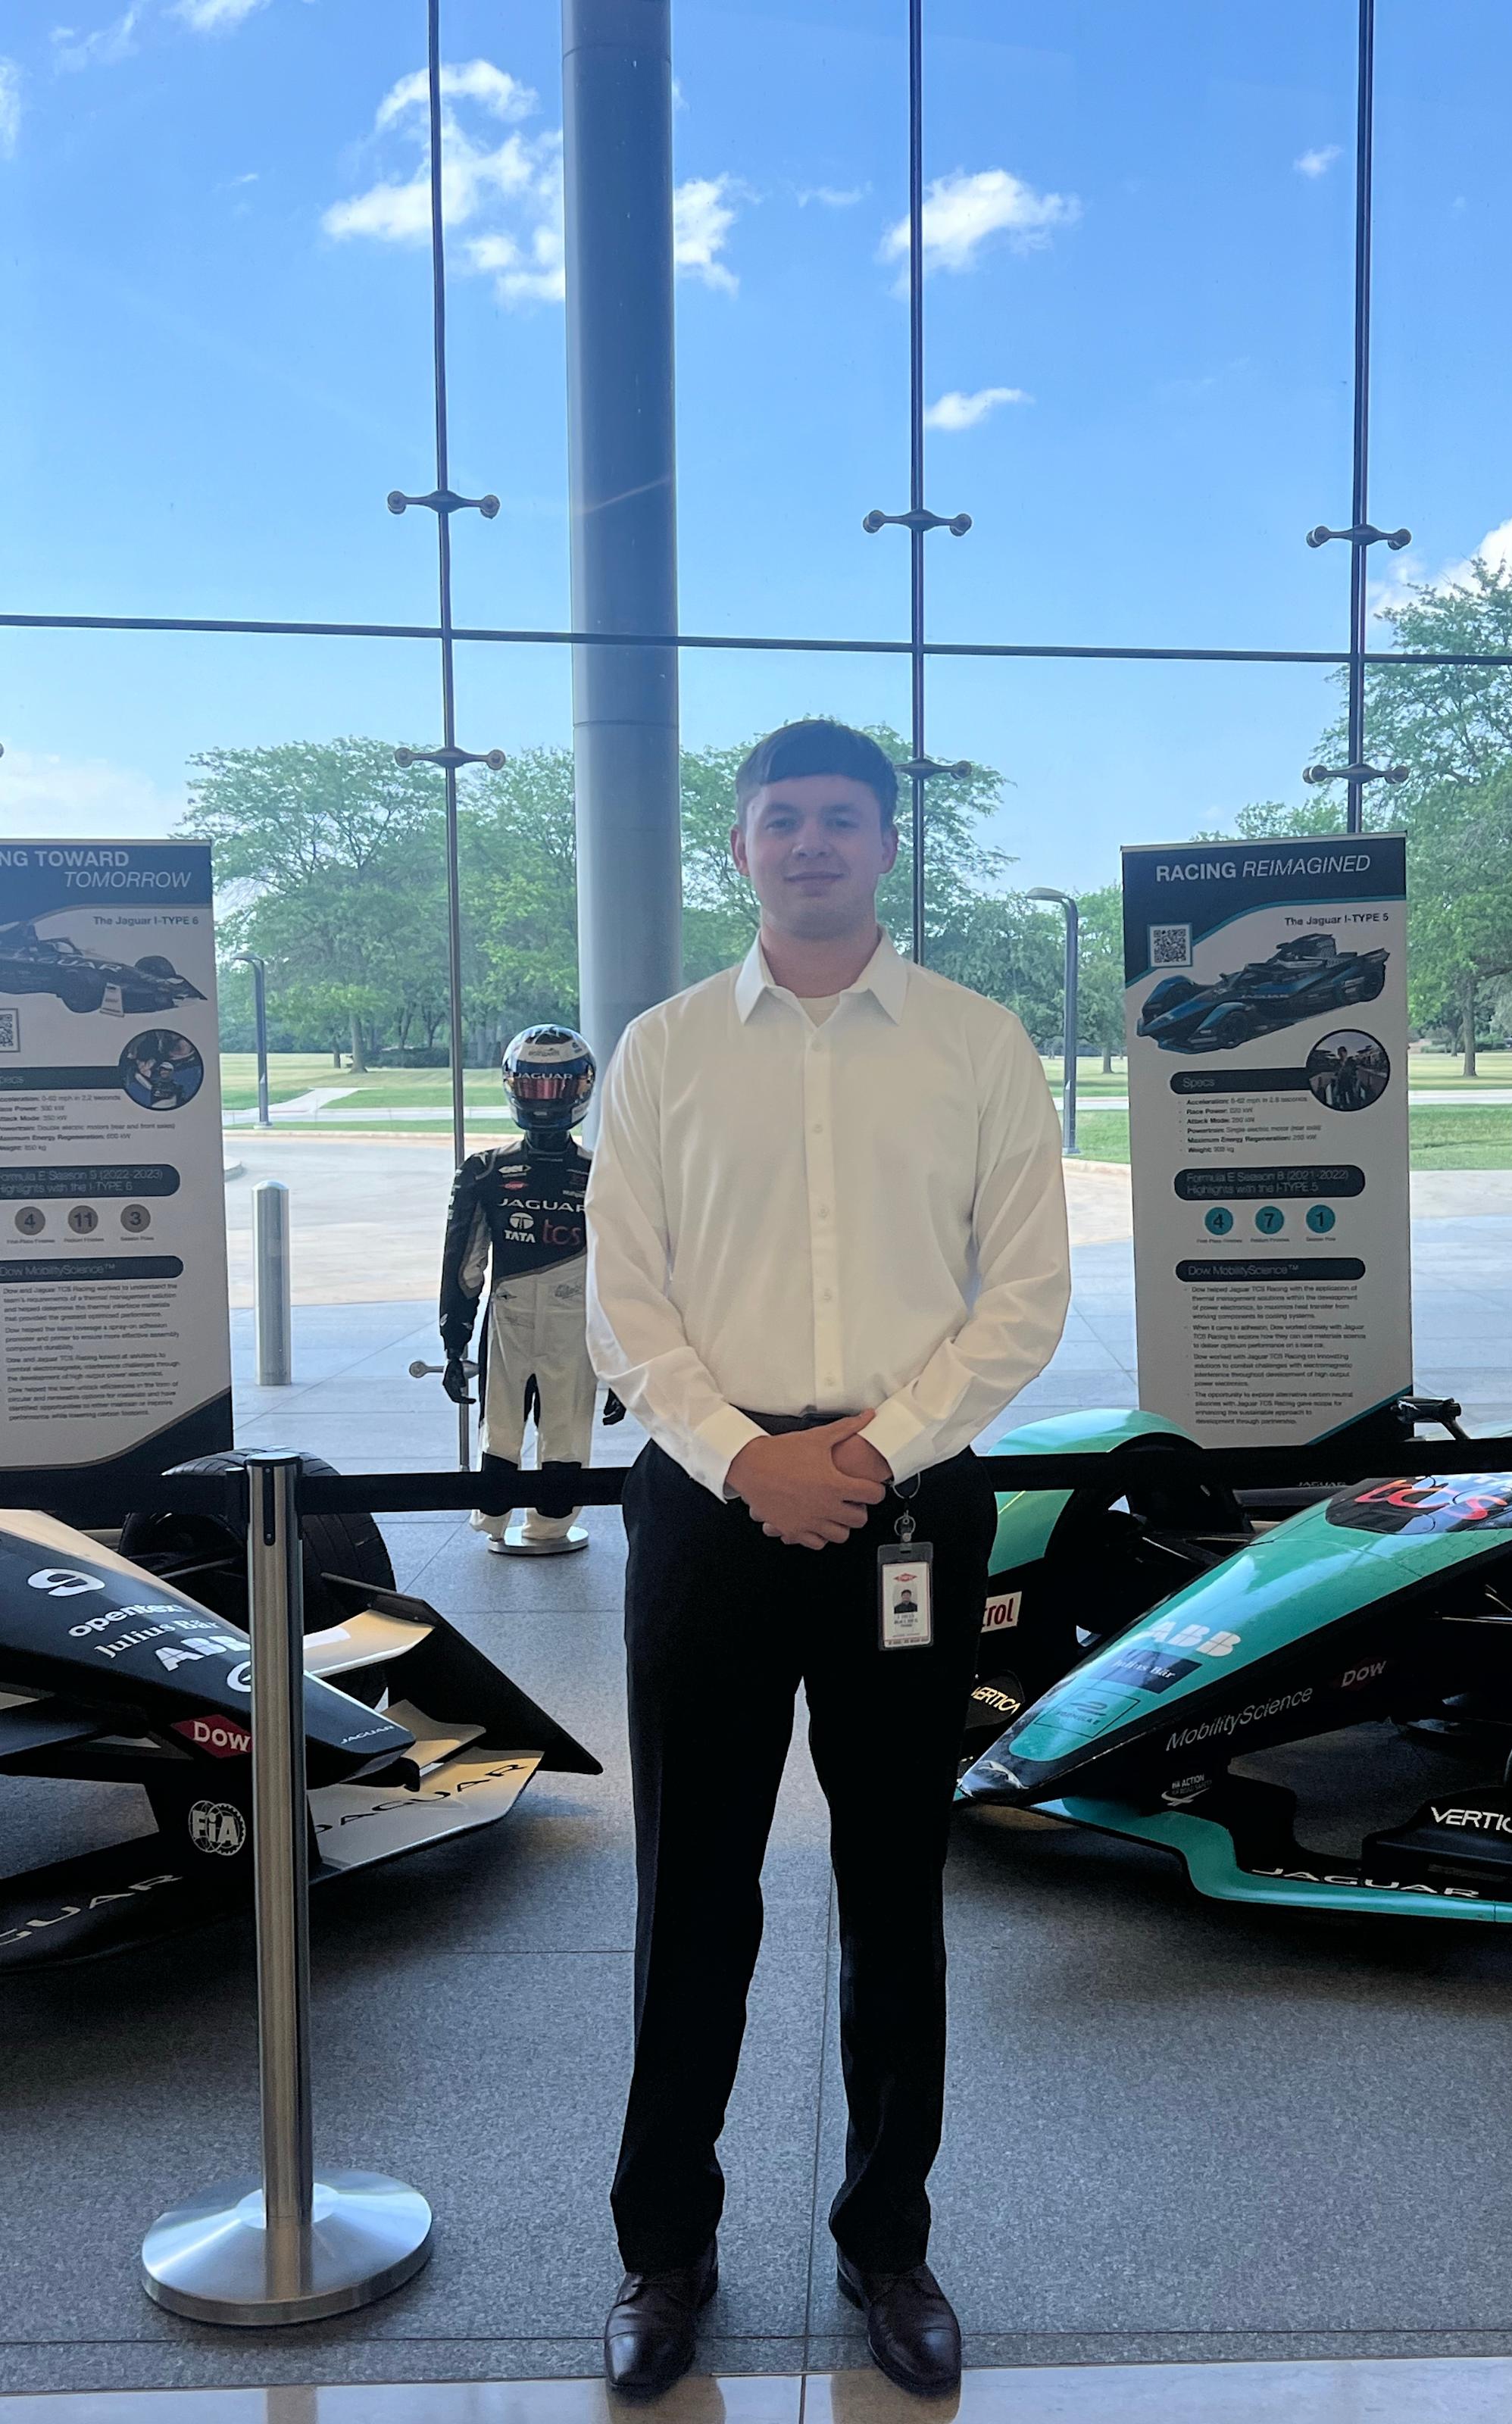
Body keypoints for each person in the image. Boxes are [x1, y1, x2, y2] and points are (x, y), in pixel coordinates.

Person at [586, 718, 1071, 2401]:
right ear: (741, 849)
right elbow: (624, 1299)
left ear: (884, 845)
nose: (809, 843)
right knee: (691, 1891)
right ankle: (666, 2249)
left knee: (895, 1888)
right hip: (707, 1509)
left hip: (908, 1505)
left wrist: (869, 1453)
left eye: (840, 818)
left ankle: (889, 2238)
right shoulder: (658, 1052)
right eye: (780, 819)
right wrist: (745, 1459)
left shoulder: (976, 1043)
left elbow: (1025, 1294)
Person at [439, 1025, 620, 1554]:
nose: (546, 1100)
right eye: (534, 1085)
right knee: (499, 1432)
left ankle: (551, 1528)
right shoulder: (484, 1170)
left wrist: (623, 1366)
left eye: (558, 1088)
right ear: (513, 1087)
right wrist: (454, 1342)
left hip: (575, 1329)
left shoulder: (605, 1173)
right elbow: (464, 1266)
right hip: (507, 1323)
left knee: (565, 1436)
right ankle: (493, 1522)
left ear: (582, 1089)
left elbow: (624, 1272)